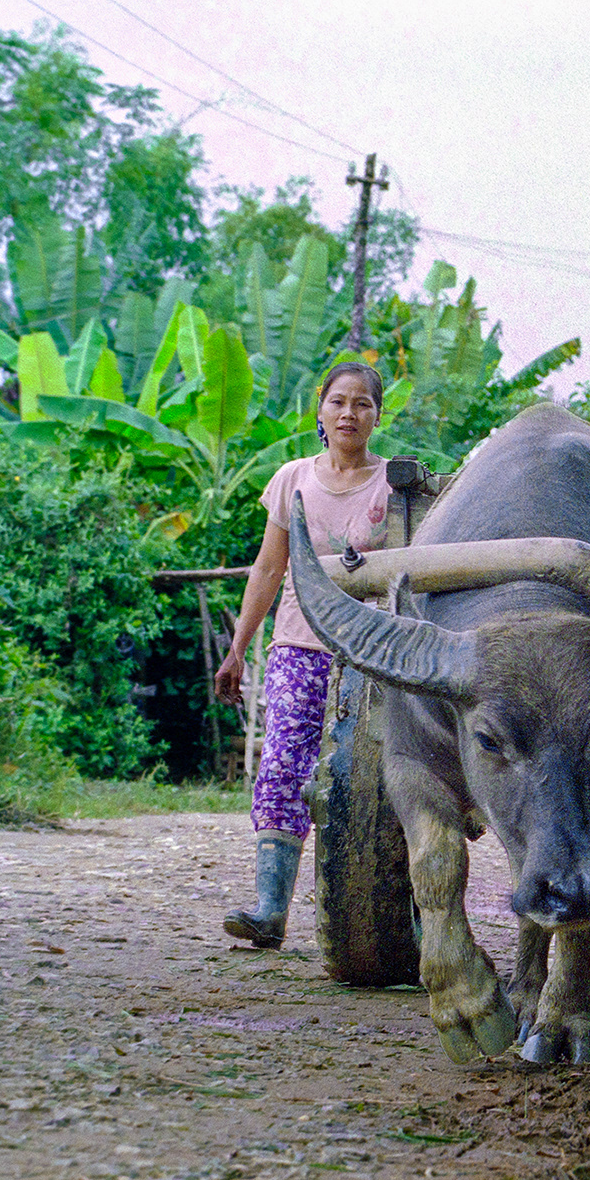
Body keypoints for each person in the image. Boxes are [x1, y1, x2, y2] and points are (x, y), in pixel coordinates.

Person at [213, 362, 389, 949]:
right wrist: (238, 648)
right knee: (283, 766)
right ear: (320, 411)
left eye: (362, 403)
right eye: (338, 402)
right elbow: (268, 569)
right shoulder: (292, 479)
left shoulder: (395, 486)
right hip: (298, 646)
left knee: (376, 779)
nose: (349, 413)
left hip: (371, 651)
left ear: (377, 415)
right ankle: (269, 908)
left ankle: (387, 916)